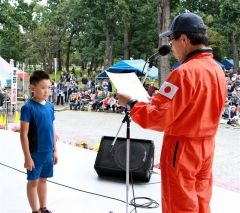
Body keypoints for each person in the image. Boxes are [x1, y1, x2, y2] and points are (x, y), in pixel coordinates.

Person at [117, 12, 226, 213]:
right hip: (206, 146)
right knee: (201, 201)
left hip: (182, 147)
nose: (171, 44)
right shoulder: (217, 69)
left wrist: (132, 103)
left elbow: (159, 119)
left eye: (172, 39)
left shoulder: (184, 72)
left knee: (179, 204)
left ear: (184, 39)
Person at [20, 70, 58, 213]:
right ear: (32, 88)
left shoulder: (50, 106)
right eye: (43, 87)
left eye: (49, 87)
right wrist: (27, 157)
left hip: (48, 151)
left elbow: (52, 128)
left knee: (43, 179)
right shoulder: (28, 108)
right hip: (35, 152)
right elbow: (23, 134)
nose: (47, 91)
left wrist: (55, 150)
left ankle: (43, 208)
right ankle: (35, 210)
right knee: (33, 181)